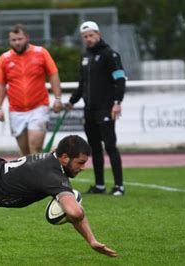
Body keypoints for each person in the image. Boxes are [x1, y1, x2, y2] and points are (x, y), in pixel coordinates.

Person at [67, 21, 126, 196]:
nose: (88, 39)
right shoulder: (85, 57)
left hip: (106, 108)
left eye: (91, 35)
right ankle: (99, 185)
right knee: (93, 148)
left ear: (98, 35)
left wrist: (117, 102)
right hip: (89, 110)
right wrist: (71, 101)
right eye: (85, 37)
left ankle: (119, 186)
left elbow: (120, 80)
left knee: (110, 146)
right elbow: (82, 84)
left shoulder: (110, 55)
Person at [0, 24, 63, 156]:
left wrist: (58, 98)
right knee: (25, 152)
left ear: (27, 38)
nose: (17, 43)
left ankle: (38, 176)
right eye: (13, 40)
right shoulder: (4, 58)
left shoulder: (41, 53)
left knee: (35, 146)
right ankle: (31, 174)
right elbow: (0, 84)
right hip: (16, 111)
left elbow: (53, 75)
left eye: (20, 39)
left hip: (39, 107)